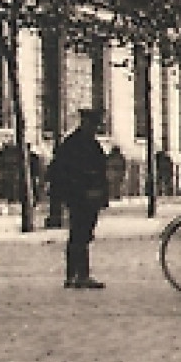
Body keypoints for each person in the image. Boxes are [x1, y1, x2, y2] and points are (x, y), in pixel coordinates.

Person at [48, 108, 110, 289]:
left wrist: (101, 195)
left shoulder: (91, 144)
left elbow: (101, 172)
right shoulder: (72, 144)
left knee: (83, 235)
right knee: (79, 235)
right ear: (84, 123)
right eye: (93, 124)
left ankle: (77, 275)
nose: (94, 129)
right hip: (79, 197)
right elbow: (63, 172)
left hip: (91, 197)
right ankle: (77, 275)